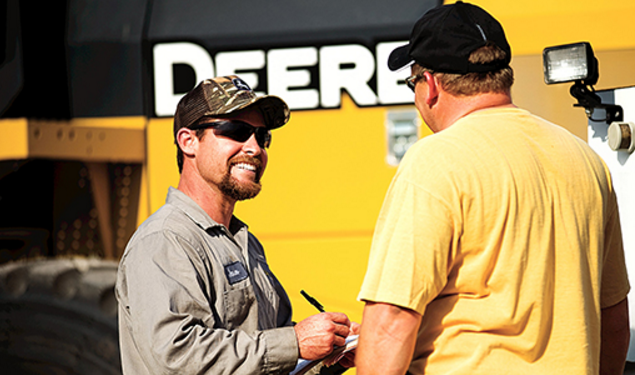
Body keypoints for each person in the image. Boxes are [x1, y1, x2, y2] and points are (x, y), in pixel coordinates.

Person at [356, 2, 630, 375]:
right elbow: (613, 317)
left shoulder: (437, 160)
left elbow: (391, 320)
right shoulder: (585, 160)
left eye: (412, 83)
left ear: (431, 85)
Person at [116, 75, 357, 375]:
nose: (255, 148)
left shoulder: (244, 242)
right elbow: (177, 357)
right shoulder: (165, 240)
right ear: (188, 141)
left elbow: (266, 357)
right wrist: (294, 343)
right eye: (237, 131)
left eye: (262, 136)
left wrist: (329, 352)